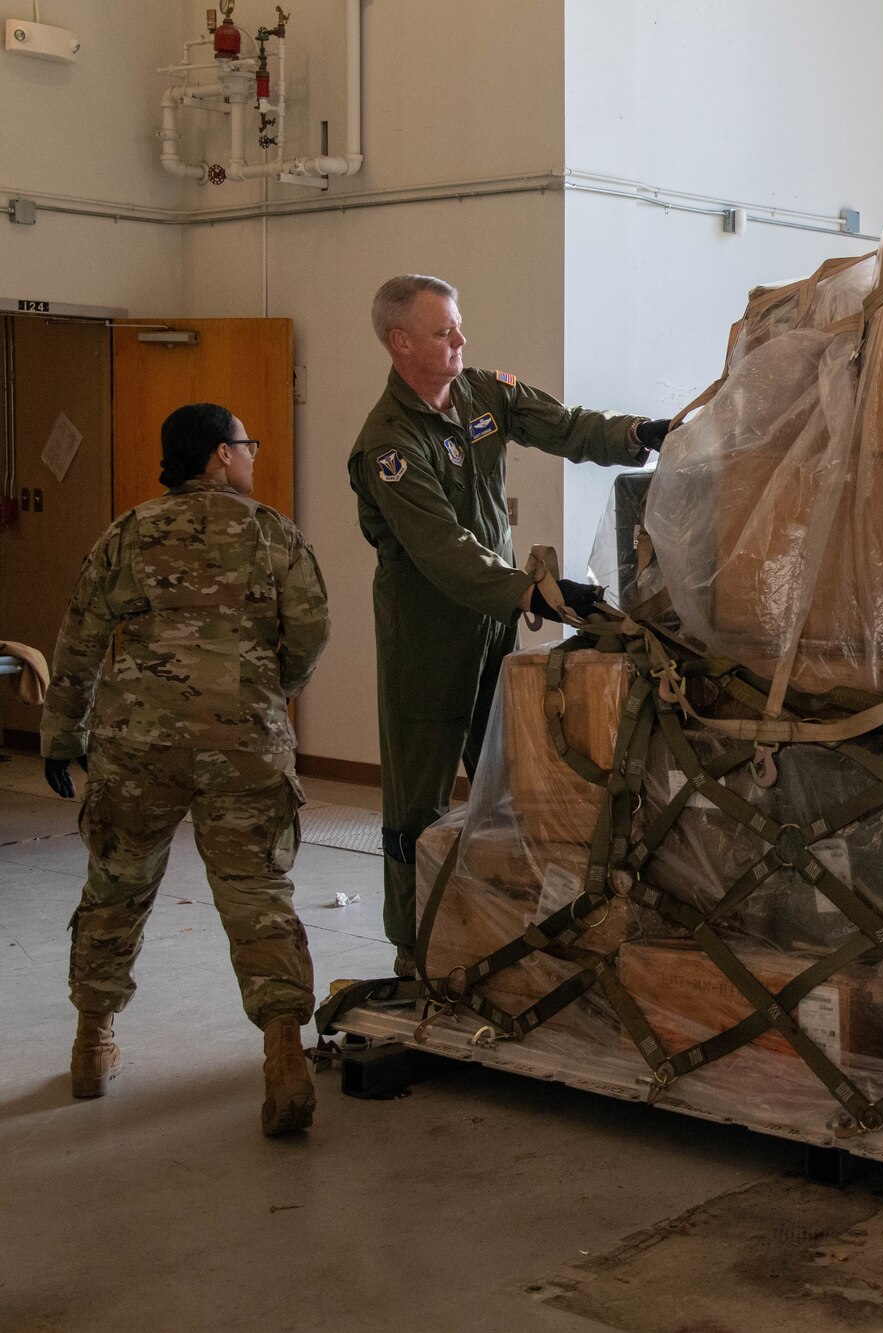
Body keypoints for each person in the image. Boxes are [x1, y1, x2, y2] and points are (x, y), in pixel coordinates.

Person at [350, 274, 676, 977]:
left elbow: (563, 424)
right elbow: (442, 550)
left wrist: (640, 434)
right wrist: (534, 594)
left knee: (506, 779)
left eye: (459, 326)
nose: (461, 341)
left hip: (495, 619)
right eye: (444, 333)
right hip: (427, 630)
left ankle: (497, 929)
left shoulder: (481, 392)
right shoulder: (390, 442)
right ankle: (412, 946)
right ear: (400, 342)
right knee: (419, 800)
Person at [42, 403, 330, 1135]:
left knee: (116, 882)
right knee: (258, 891)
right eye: (246, 445)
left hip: (138, 743)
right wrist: (269, 694)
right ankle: (283, 1053)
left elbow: (78, 636)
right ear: (217, 457)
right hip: (245, 742)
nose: (252, 457)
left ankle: (92, 1042)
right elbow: (310, 629)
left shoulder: (128, 533)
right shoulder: (270, 533)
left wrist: (60, 732)